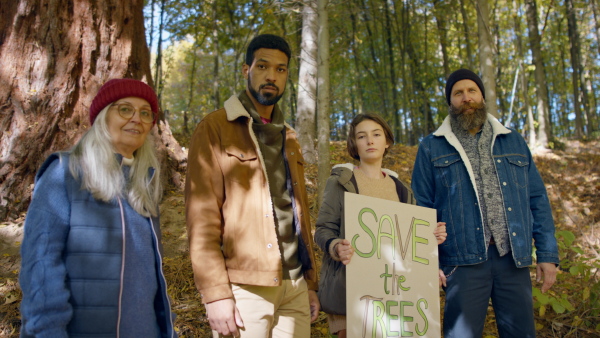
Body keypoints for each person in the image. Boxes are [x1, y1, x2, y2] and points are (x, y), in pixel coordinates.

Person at [19, 79, 177, 337]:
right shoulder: (63, 173)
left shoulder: (143, 185)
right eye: (125, 109)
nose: (136, 118)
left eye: (145, 112)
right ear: (103, 117)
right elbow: (41, 269)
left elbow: (152, 282)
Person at [185, 34, 319, 337]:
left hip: (294, 286)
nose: (272, 76)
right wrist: (216, 293)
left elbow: (297, 213)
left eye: (281, 69)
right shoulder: (216, 127)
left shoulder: (290, 136)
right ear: (246, 70)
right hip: (245, 287)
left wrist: (310, 283)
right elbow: (202, 216)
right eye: (263, 66)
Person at [411, 69, 559, 337]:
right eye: (458, 93)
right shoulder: (432, 147)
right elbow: (421, 206)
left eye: (471, 91)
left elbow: (536, 197)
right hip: (460, 261)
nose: (466, 98)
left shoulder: (512, 140)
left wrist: (547, 254)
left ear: (481, 95)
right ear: (450, 101)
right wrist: (427, 261)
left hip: (512, 257)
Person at [314, 113, 447, 338]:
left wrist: (431, 240)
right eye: (362, 136)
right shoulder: (340, 183)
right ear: (354, 144)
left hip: (394, 298)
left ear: (387, 142)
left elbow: (411, 245)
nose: (370, 141)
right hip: (351, 294)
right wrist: (336, 246)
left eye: (376, 135)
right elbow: (323, 230)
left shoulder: (402, 190)